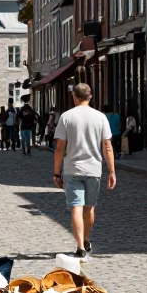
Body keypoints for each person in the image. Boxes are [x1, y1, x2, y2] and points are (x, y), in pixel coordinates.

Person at [53, 83, 116, 257]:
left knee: (76, 208)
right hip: (94, 169)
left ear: (74, 96)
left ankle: (80, 246)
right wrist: (112, 171)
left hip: (73, 169)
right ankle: (86, 238)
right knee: (89, 209)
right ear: (90, 96)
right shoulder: (101, 117)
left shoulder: (66, 117)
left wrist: (56, 172)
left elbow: (60, 148)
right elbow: (107, 146)